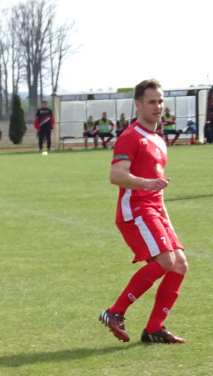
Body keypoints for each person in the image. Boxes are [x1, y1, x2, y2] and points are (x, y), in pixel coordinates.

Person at [98, 78, 187, 345]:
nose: (158, 106)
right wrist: (146, 184)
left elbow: (158, 190)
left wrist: (166, 220)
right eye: (152, 102)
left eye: (160, 101)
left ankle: (153, 329)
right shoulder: (130, 137)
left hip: (155, 211)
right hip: (135, 211)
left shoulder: (159, 140)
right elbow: (116, 175)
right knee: (165, 261)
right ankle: (114, 312)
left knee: (180, 264)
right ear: (138, 105)